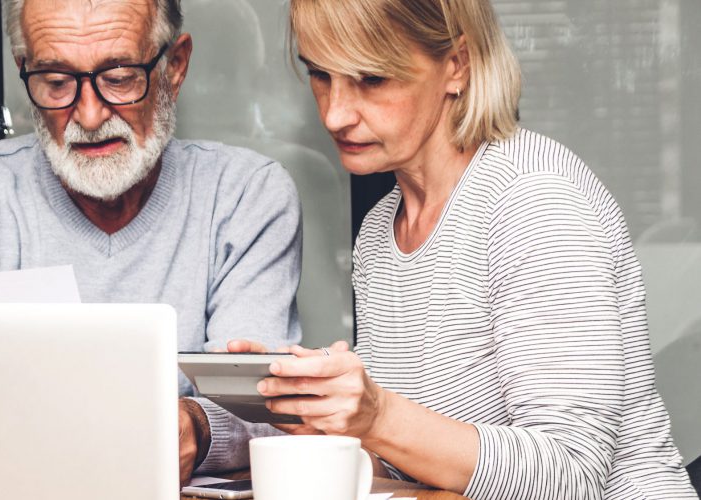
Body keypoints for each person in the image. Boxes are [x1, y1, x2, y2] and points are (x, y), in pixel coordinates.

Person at [0, 0, 301, 484]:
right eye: (57, 82)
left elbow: (268, 403)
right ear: (23, 70)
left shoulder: (246, 194)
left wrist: (195, 427)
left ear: (175, 66)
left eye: (120, 76)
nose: (89, 116)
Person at [241, 0, 698, 498]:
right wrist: (328, 428)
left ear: (456, 65)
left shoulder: (533, 197)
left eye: (371, 79)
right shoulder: (380, 230)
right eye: (320, 75)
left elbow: (571, 473)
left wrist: (379, 416)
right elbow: (427, 469)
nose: (334, 113)